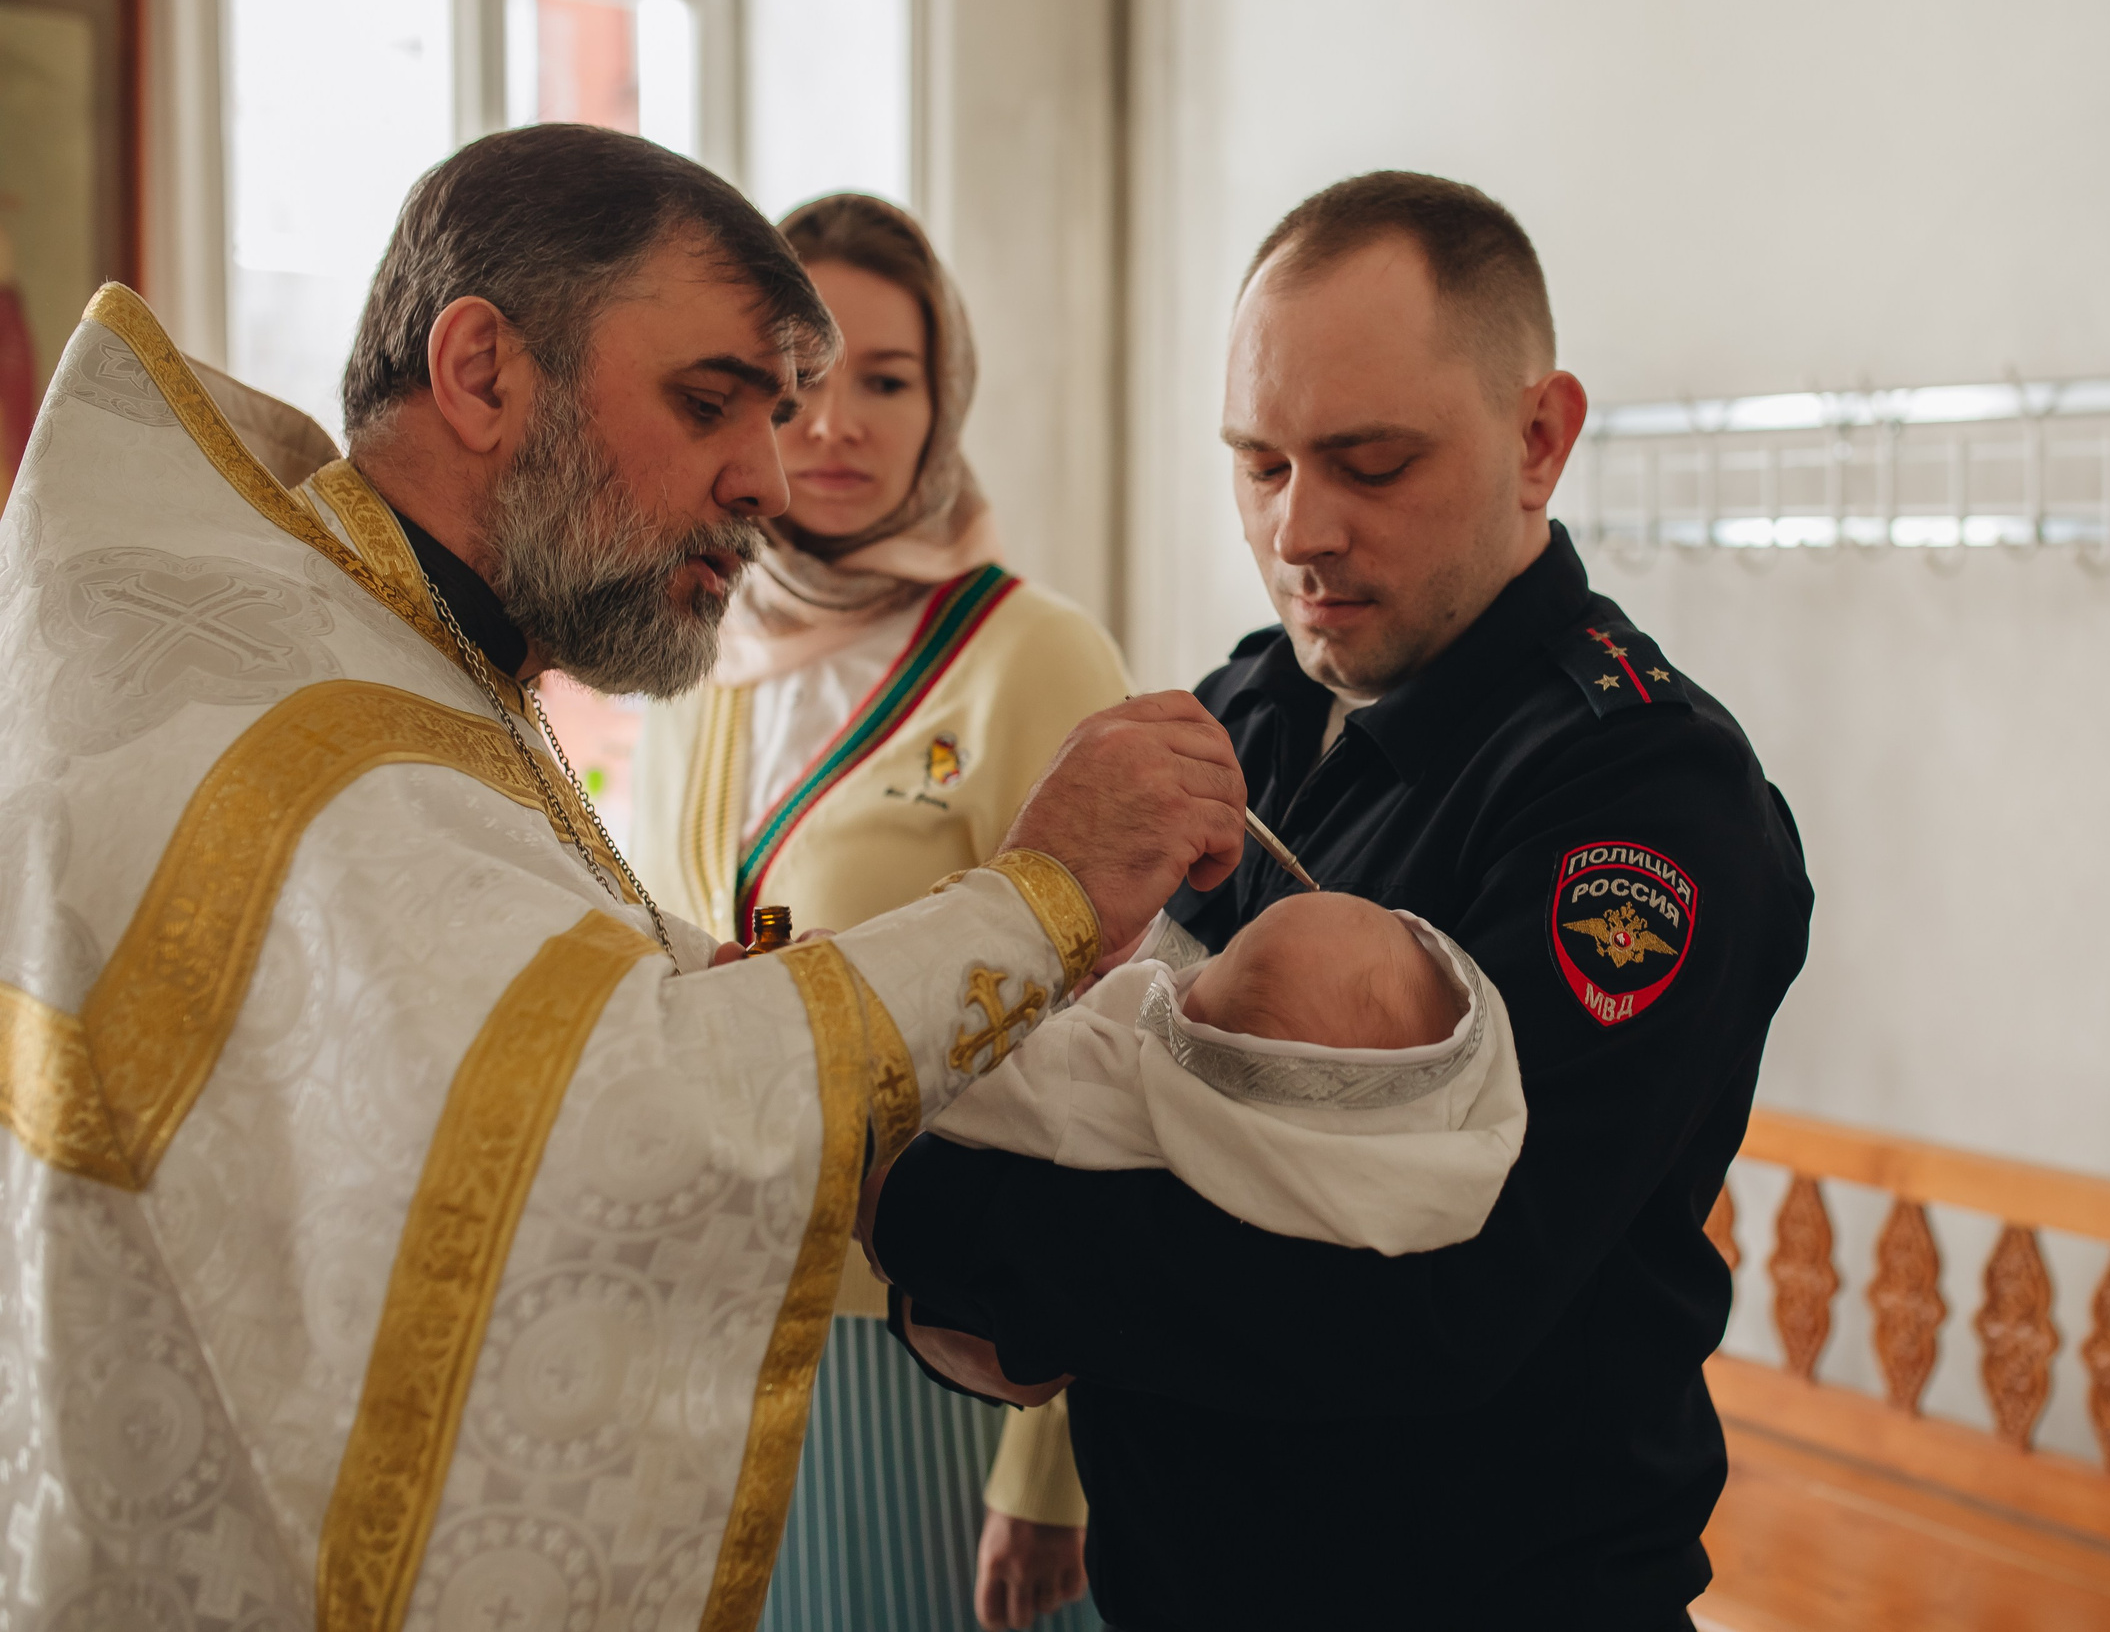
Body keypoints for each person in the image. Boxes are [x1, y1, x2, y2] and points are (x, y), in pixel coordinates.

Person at [0, 125, 1246, 1632]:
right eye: (710, 402)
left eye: (784, 410)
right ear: (481, 373)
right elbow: (606, 1108)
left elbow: (582, 982)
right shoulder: (299, 723)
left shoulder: (413, 661)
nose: (769, 477)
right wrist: (1042, 895)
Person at [868, 172, 1814, 1631]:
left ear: (1540, 438)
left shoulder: (1641, 801)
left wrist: (920, 1205)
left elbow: (1424, 1298)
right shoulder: (1243, 708)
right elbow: (1097, 1074)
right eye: (1260, 463)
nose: (1300, 528)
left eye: (1371, 464)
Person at [630, 192, 1126, 1632]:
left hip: (958, 1334)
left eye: (888, 381)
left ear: (944, 400)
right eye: (797, 385)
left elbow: (1120, 1061)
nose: (837, 424)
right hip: (720, 1328)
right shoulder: (698, 653)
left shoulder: (1031, 653)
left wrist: (1056, 1466)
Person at [933, 891, 1525, 1257]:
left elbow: (953, 1069)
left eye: (1189, 998)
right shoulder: (1393, 1140)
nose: (1176, 980)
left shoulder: (1105, 1092)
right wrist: (1151, 947)